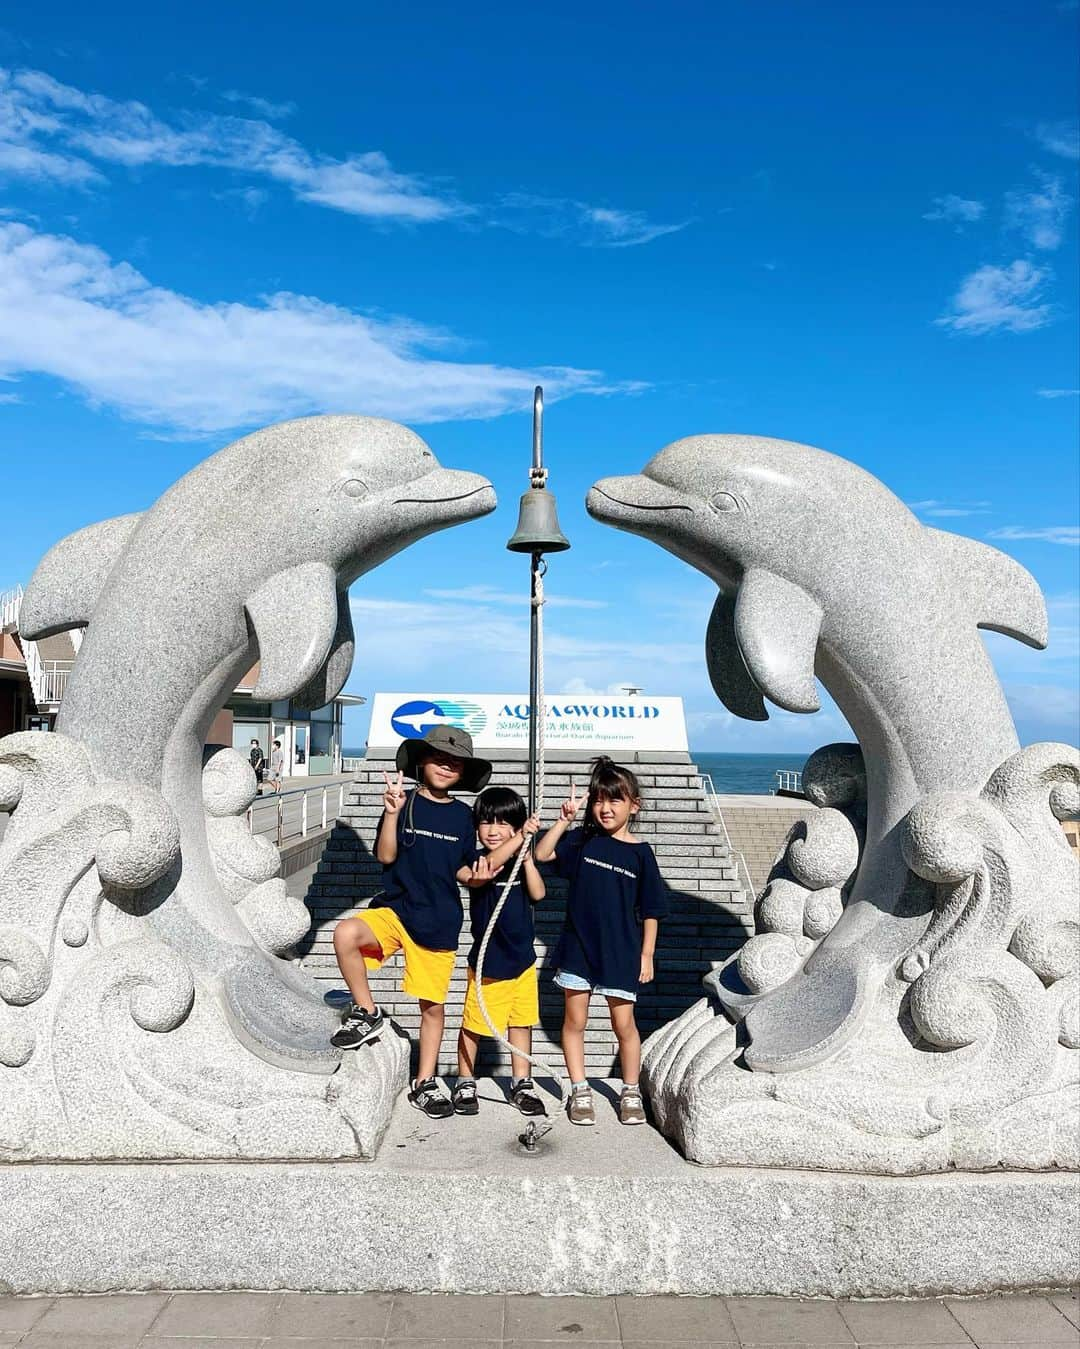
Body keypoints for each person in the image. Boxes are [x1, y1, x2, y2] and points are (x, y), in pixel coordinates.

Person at [330, 727, 521, 1119]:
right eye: (438, 757)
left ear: (464, 771)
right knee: (345, 932)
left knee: (432, 1008)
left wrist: (480, 877)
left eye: (454, 761)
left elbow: (465, 873)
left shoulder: (465, 817)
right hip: (396, 911)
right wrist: (393, 812)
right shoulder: (403, 802)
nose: (446, 765)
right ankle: (367, 1012)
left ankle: (425, 1082)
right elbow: (385, 856)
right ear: (421, 762)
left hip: (438, 922)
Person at [534, 756, 668, 1127]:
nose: (605, 808)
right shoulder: (581, 841)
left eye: (615, 800)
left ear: (633, 806)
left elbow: (652, 910)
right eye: (598, 800)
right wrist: (564, 819)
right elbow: (542, 854)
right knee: (574, 1020)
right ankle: (579, 1089)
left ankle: (630, 1091)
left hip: (622, 953)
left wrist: (647, 954)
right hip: (578, 950)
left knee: (623, 1025)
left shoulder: (641, 854)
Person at [453, 787, 545, 1118]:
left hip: (522, 961)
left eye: (504, 823)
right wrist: (519, 837)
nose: (493, 830)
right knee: (474, 1025)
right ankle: (465, 1080)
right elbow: (489, 866)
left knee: (521, 1023)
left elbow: (538, 893)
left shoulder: (520, 859)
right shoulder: (476, 859)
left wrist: (528, 858)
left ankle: (522, 1082)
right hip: (488, 964)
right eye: (486, 822)